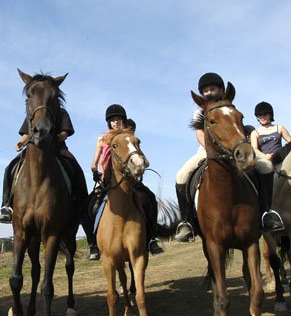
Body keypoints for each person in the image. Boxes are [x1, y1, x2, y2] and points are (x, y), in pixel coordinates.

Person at [91, 105, 163, 256]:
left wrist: (141, 163)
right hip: (108, 181)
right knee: (91, 206)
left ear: (124, 121)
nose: (116, 122)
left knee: (150, 199)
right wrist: (94, 170)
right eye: (112, 120)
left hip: (131, 181)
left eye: (119, 119)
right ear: (108, 122)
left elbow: (145, 160)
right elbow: (96, 160)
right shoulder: (102, 139)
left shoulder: (129, 138)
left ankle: (152, 239)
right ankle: (94, 244)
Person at [175, 72, 226, 242]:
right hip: (206, 151)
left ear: (221, 89)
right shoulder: (199, 112)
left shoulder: (228, 107)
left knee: (262, 168)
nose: (209, 93)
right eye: (205, 90)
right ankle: (187, 222)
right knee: (181, 177)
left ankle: (265, 212)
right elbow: (199, 133)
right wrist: (212, 149)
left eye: (212, 89)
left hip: (232, 149)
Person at [250, 101, 291, 228]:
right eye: (260, 115)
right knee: (256, 181)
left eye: (265, 114)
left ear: (270, 115)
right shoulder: (255, 133)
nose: (263, 117)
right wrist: (264, 156)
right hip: (265, 161)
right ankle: (262, 213)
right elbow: (254, 149)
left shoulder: (279, 128)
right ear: (257, 117)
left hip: (282, 160)